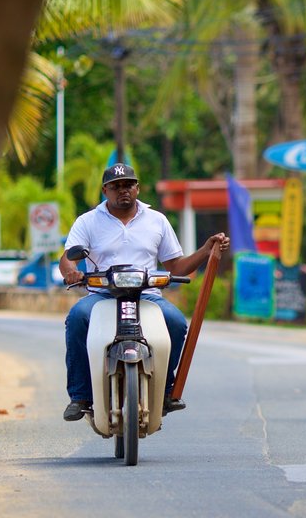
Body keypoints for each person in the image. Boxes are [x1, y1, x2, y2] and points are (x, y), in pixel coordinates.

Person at [59, 163, 231, 421]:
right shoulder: (88, 221)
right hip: (103, 294)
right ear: (105, 190)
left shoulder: (157, 220)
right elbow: (67, 258)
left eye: (128, 184)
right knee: (77, 318)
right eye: (115, 186)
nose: (122, 191)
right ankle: (80, 396)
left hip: (147, 295)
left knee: (174, 321)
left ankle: (166, 389)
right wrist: (71, 271)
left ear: (138, 188)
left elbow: (176, 266)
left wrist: (206, 250)